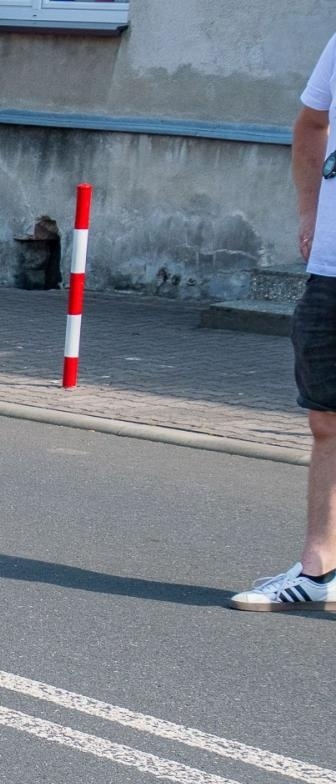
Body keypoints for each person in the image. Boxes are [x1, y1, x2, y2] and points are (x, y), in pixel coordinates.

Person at [231, 32, 336, 611]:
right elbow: (311, 124)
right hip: (331, 269)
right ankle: (319, 571)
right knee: (327, 418)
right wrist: (309, 211)